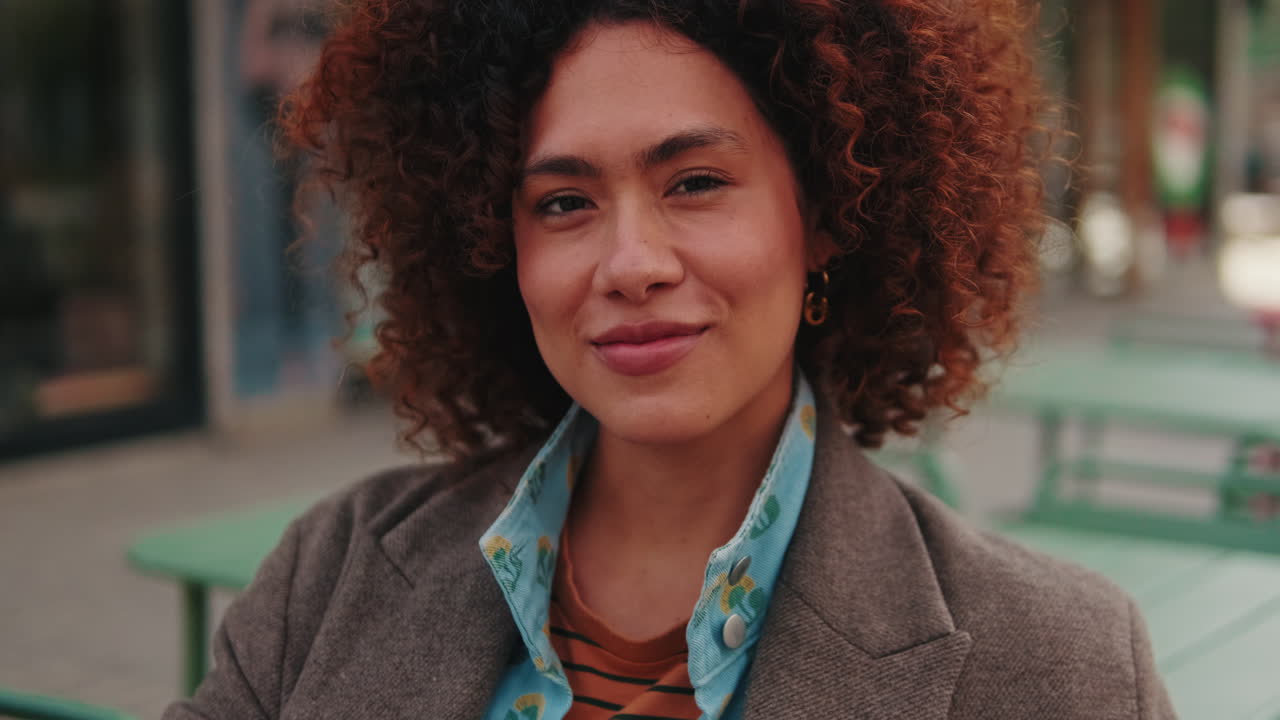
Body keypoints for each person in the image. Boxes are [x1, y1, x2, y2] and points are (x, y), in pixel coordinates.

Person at [165, 1, 1177, 718]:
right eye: (562, 202)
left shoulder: (1057, 663)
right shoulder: (328, 572)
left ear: (824, 214)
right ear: (492, 247)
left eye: (693, 182)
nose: (629, 264)